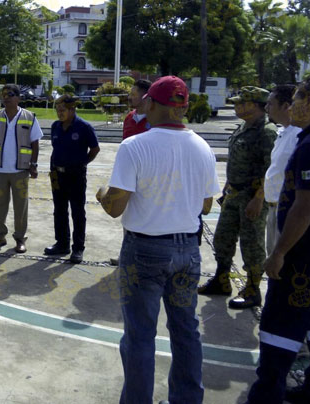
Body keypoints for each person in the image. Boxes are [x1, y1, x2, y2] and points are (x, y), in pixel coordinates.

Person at [96, 76, 219, 404]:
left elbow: (115, 207)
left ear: (151, 103)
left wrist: (101, 193)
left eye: (144, 100)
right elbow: (206, 205)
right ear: (184, 107)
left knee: (140, 335)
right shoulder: (203, 147)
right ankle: (187, 398)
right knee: (185, 331)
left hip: (146, 250)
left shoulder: (136, 146)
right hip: (188, 250)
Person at [246, 77, 310, 404]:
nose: (291, 106)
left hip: (303, 255)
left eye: (296, 98)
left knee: (279, 328)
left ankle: (266, 397)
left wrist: (279, 252)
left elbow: (304, 207)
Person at [198, 86, 277, 309]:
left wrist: (259, 198)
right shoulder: (244, 127)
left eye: (242, 103)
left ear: (255, 105)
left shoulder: (266, 131)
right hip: (234, 194)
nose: (237, 106)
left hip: (252, 196)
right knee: (222, 238)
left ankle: (252, 288)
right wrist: (226, 190)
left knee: (251, 244)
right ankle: (222, 280)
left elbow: (269, 169)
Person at [0, 83, 43, 254]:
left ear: (18, 98)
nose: (6, 98)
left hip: (20, 171)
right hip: (0, 170)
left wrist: (34, 165)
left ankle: (20, 238)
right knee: (0, 206)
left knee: (20, 207)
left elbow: (35, 142)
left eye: (10, 95)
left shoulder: (29, 117)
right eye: (4, 95)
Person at [44, 94, 100, 264]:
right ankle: (62, 243)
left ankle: (78, 249)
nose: (59, 113)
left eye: (62, 110)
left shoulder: (84, 127)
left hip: (76, 175)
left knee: (77, 211)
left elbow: (95, 149)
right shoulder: (55, 126)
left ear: (72, 109)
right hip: (56, 174)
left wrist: (82, 163)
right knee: (59, 210)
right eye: (57, 110)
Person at [263, 85, 301, 256]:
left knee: (282, 263)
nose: (266, 108)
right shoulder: (283, 132)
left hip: (288, 210)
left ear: (286, 106)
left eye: (270, 104)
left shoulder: (298, 135)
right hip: (274, 208)